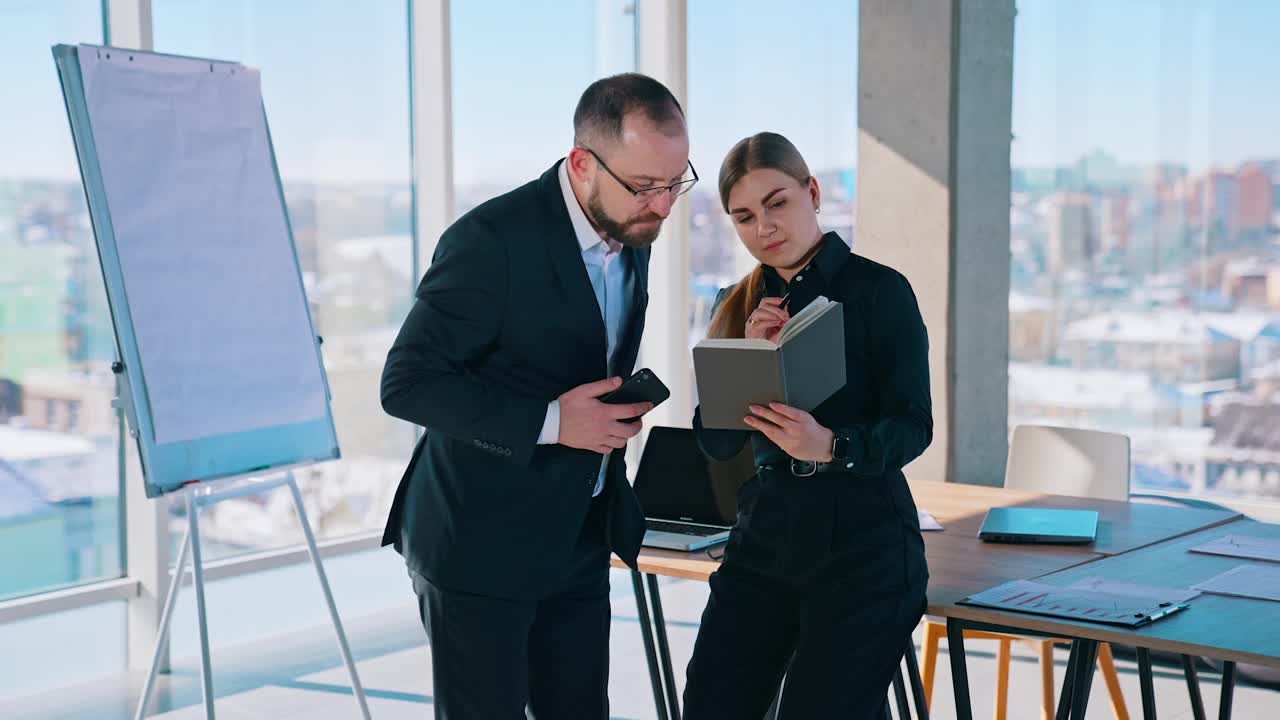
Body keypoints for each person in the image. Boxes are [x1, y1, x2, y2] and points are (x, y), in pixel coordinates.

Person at [379, 73, 695, 719]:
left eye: (674, 184)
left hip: (579, 534)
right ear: (582, 164)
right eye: (644, 187)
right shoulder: (491, 242)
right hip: (481, 545)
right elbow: (408, 384)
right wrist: (553, 422)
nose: (662, 207)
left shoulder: (631, 234)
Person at [682, 131, 931, 718]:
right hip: (763, 541)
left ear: (812, 192)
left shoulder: (880, 291)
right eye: (743, 216)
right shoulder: (735, 303)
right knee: (709, 706)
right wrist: (744, 353)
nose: (763, 227)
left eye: (777, 203)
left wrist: (831, 445)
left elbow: (913, 426)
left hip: (864, 550)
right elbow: (716, 444)